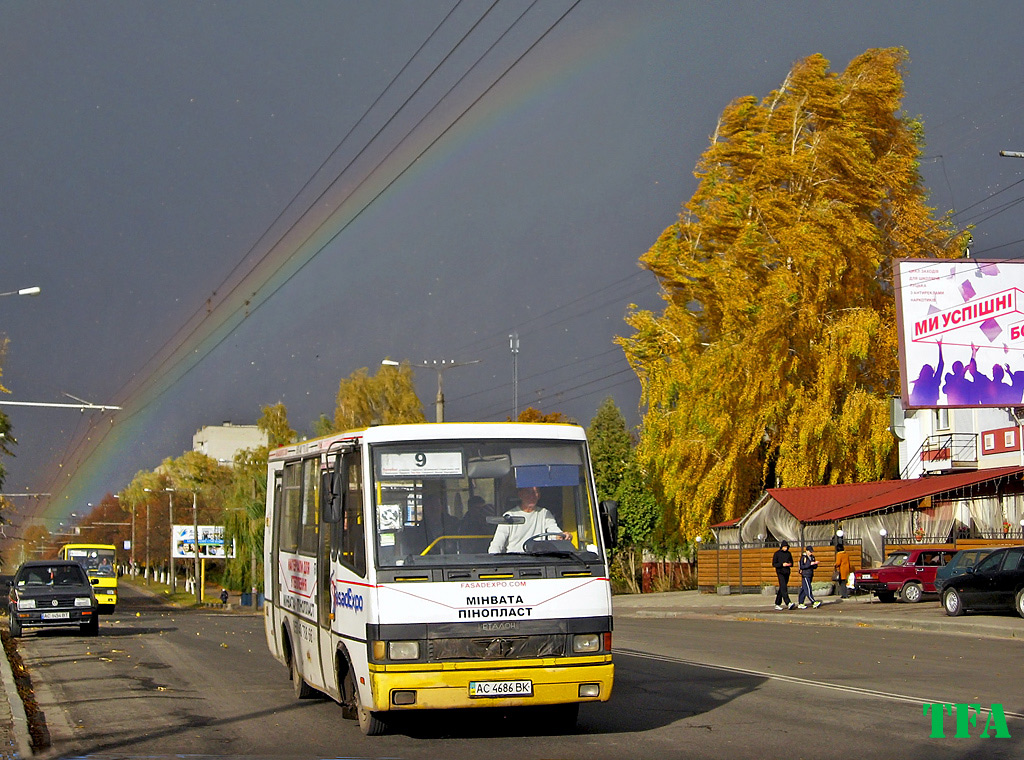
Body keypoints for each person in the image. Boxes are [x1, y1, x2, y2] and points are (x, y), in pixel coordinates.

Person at [488, 486, 570, 554]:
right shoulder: (510, 516)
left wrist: (560, 535)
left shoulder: (544, 513)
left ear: (539, 496)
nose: (532, 496)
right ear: (520, 495)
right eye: (528, 492)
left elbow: (553, 530)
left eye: (535, 492)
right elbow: (498, 543)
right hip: (514, 561)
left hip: (538, 560)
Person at [771, 542, 796, 610]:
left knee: (782, 588)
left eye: (786, 547)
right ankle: (788, 602)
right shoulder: (777, 553)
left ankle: (777, 603)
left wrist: (789, 564)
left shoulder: (788, 553)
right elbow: (774, 564)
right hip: (780, 572)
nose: (785, 548)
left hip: (787, 572)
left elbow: (792, 562)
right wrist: (782, 564)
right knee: (783, 587)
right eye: (784, 547)